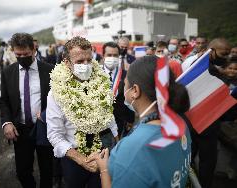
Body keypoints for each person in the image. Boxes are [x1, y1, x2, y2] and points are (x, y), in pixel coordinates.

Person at [88, 55, 191, 188]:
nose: (123, 89)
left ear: (135, 91)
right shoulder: (180, 123)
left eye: (125, 84)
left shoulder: (131, 149)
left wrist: (104, 169)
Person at [46, 36, 118, 188]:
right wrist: (82, 160)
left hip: (102, 153)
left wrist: (117, 148)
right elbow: (54, 135)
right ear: (67, 63)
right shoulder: (55, 93)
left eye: (89, 60)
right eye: (79, 62)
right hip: (74, 157)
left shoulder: (102, 83)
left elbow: (110, 119)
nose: (86, 65)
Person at [0, 33, 54, 188]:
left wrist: (47, 115)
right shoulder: (8, 72)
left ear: (34, 50)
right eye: (18, 54)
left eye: (26, 54)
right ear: (13, 52)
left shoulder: (49, 70)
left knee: (47, 170)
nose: (22, 57)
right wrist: (7, 122)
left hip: (44, 128)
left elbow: (58, 100)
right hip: (21, 130)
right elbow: (4, 101)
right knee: (22, 172)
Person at [190, 38, 231, 188]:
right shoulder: (208, 69)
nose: (226, 56)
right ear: (212, 50)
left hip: (199, 121)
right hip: (205, 122)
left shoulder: (201, 65)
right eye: (223, 53)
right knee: (207, 161)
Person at [102, 42, 135, 137]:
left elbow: (130, 98)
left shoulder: (126, 75)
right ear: (103, 56)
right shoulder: (95, 74)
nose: (112, 58)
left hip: (120, 121)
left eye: (115, 55)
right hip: (99, 123)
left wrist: (130, 119)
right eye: (109, 55)